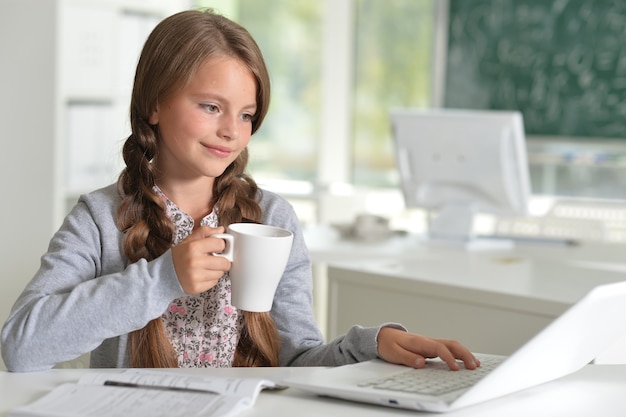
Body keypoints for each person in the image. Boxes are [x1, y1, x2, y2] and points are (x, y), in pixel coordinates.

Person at [1, 9, 479, 372]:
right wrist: (163, 278)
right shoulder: (100, 219)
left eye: (247, 114)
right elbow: (21, 348)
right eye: (211, 106)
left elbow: (298, 362)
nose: (232, 130)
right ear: (153, 105)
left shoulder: (272, 217)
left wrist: (368, 345)